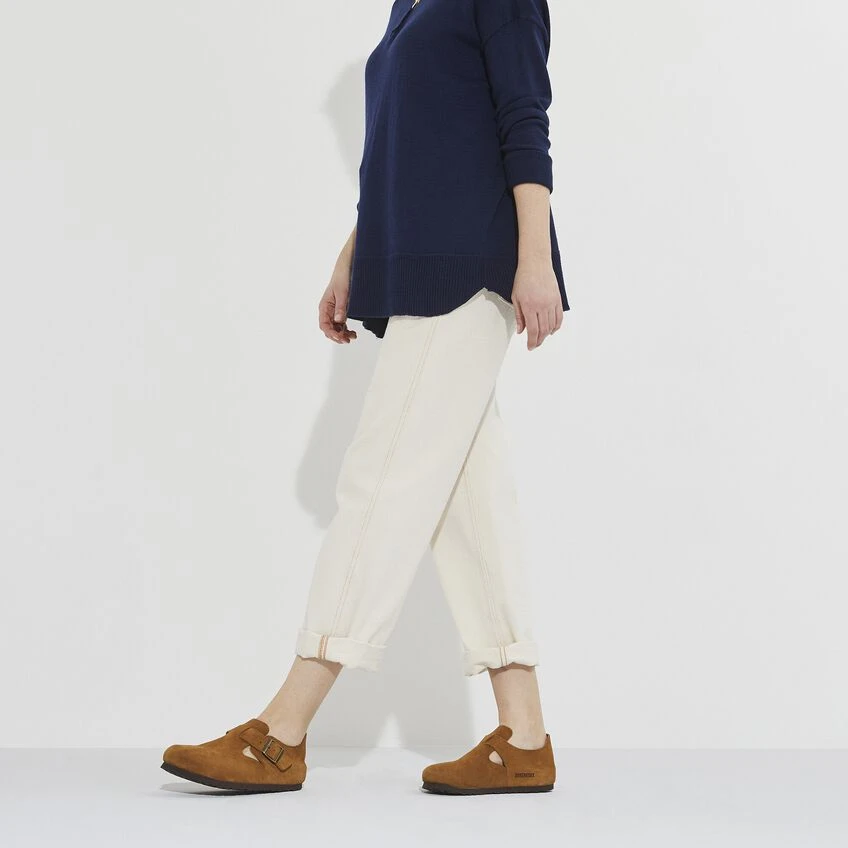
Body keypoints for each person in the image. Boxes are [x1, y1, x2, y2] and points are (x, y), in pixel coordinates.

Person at [161, 0, 569, 796]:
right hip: (420, 264)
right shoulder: (408, 6)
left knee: (381, 482)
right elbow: (400, 152)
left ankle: (282, 733)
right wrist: (354, 256)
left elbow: (526, 120)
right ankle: (524, 738)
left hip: (469, 267)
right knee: (469, 508)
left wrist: (535, 259)